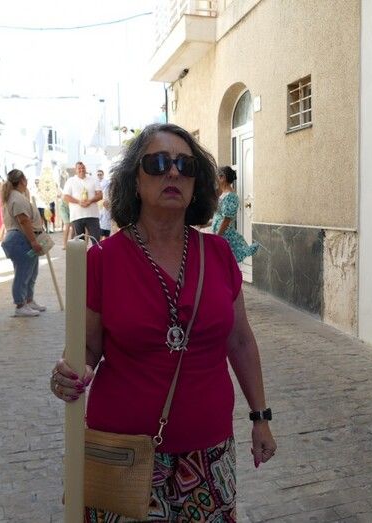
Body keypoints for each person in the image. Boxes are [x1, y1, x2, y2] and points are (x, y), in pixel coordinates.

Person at [50, 123, 276, 519]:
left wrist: (260, 417)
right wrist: (69, 372)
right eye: (157, 163)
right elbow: (88, 347)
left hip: (209, 452)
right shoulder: (102, 260)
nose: (173, 172)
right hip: (123, 451)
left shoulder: (218, 254)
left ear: (196, 184)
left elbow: (240, 341)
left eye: (185, 165)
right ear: (135, 181)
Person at [0, 169, 47, 317]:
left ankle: (28, 300)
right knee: (23, 273)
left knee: (31, 272)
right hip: (20, 239)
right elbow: (24, 221)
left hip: (22, 238)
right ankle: (20, 305)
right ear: (22, 181)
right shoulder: (16, 198)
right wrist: (33, 241)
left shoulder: (17, 196)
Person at [212, 166, 259, 262]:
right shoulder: (222, 194)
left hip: (225, 235)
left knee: (224, 262)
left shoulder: (231, 197)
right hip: (219, 233)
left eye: (217, 176)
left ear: (223, 178)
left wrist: (218, 236)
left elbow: (226, 220)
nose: (216, 179)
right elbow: (219, 216)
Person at [62, 161, 102, 240]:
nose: (81, 170)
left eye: (83, 168)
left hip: (92, 215)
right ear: (75, 170)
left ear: (85, 168)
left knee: (96, 239)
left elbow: (100, 195)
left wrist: (90, 201)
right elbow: (65, 196)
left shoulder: (93, 179)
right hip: (77, 216)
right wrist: (79, 202)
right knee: (80, 242)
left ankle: (95, 249)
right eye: (79, 168)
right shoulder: (70, 181)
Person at [97, 168, 112, 238]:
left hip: (105, 204)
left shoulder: (106, 183)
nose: (99, 176)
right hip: (98, 206)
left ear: (103, 175)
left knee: (106, 225)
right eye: (98, 175)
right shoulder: (95, 183)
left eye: (100, 174)